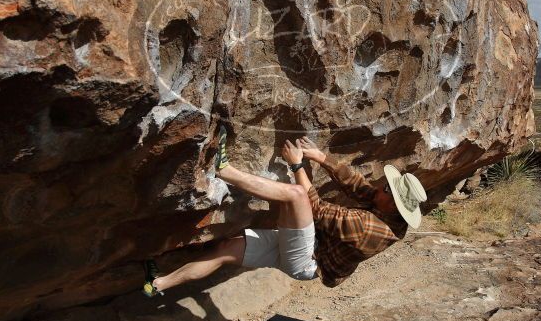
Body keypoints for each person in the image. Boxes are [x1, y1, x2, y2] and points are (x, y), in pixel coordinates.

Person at [142, 126, 428, 295]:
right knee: (227, 248)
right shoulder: (387, 208)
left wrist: (298, 165)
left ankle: (225, 170)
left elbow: (314, 207)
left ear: (391, 202)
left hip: (307, 260)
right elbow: (356, 184)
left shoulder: (370, 229)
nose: (379, 187)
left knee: (295, 194)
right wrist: (319, 156)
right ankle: (157, 284)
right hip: (306, 244)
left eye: (385, 188)